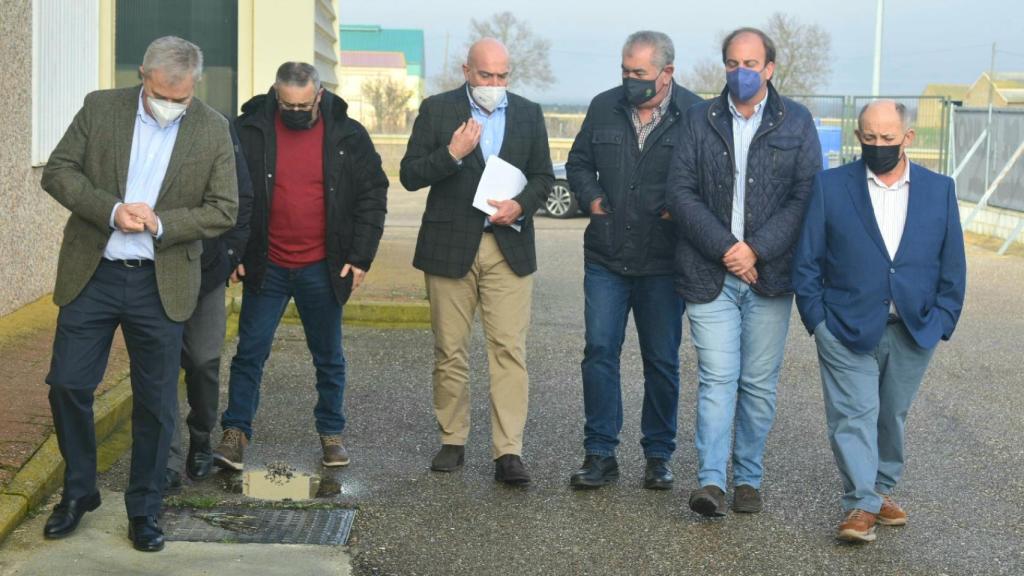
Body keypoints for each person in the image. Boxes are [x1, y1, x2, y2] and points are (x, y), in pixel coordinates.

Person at [39, 36, 238, 552]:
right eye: (164, 93)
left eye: (183, 96)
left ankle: (145, 509)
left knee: (154, 405)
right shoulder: (100, 107)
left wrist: (161, 222)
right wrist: (110, 209)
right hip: (94, 274)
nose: (173, 104)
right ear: (144, 77)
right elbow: (59, 171)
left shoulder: (213, 128)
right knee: (67, 384)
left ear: (196, 85)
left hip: (161, 283)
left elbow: (224, 209)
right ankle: (80, 491)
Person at [792, 100, 966, 543]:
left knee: (891, 416)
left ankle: (880, 489)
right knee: (853, 415)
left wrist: (944, 317)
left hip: (913, 328)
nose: (878, 146)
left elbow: (952, 263)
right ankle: (860, 504)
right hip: (845, 327)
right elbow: (808, 260)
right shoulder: (831, 186)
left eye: (887, 139)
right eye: (869, 138)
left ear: (908, 138)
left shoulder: (939, 189)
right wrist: (818, 322)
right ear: (858, 137)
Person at [667, 27, 821, 516]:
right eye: (733, 63)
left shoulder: (797, 122)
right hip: (708, 272)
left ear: (770, 68)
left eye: (751, 63)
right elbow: (681, 193)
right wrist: (728, 249)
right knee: (716, 379)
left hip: (770, 277)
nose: (741, 71)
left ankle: (748, 477)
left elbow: (805, 197)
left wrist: (755, 249)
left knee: (757, 383)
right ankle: (711, 481)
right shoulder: (698, 119)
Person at [213, 62, 388, 471]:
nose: (294, 111)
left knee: (328, 356)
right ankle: (235, 434)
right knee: (249, 353)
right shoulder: (248, 130)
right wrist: (232, 253)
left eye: (303, 105)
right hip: (265, 264)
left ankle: (331, 433)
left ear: (319, 95)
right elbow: (225, 193)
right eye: (287, 104)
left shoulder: (349, 134)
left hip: (322, 268)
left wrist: (360, 256)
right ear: (276, 93)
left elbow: (373, 194)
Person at [400, 38, 553, 485]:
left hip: (507, 246)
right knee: (450, 349)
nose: (495, 84)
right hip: (450, 248)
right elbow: (409, 175)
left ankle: (508, 451)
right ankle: (453, 439)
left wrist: (521, 206)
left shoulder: (528, 112)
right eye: (486, 76)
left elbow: (543, 176)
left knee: (509, 350)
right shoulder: (437, 110)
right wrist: (451, 155)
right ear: (467, 71)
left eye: (503, 76)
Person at [565, 31, 701, 490]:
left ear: (667, 73)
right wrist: (594, 200)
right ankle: (600, 452)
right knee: (600, 353)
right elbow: (579, 163)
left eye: (639, 73)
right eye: (625, 71)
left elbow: (707, 180)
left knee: (661, 359)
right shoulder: (604, 106)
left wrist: (677, 211)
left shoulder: (696, 114)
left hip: (664, 261)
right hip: (605, 255)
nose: (629, 80)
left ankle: (658, 455)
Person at [163, 123, 253, 493]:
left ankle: (201, 435)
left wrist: (231, 254)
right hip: (154, 269)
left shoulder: (215, 127)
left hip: (206, 268)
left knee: (202, 360)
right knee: (161, 363)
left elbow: (242, 197)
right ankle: (165, 458)